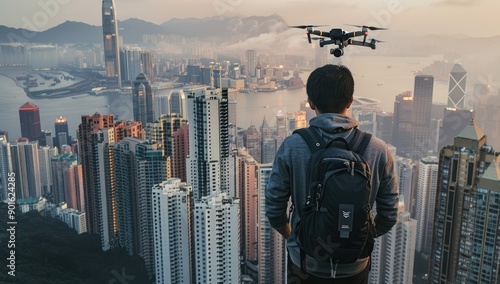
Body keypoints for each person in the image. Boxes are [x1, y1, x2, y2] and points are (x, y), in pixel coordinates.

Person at [265, 64, 399, 283]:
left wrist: (294, 236)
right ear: (350, 101)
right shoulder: (377, 148)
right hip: (355, 266)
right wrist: (361, 236)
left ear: (310, 102)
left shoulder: (293, 146)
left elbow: (274, 207)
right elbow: (390, 213)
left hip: (305, 264)